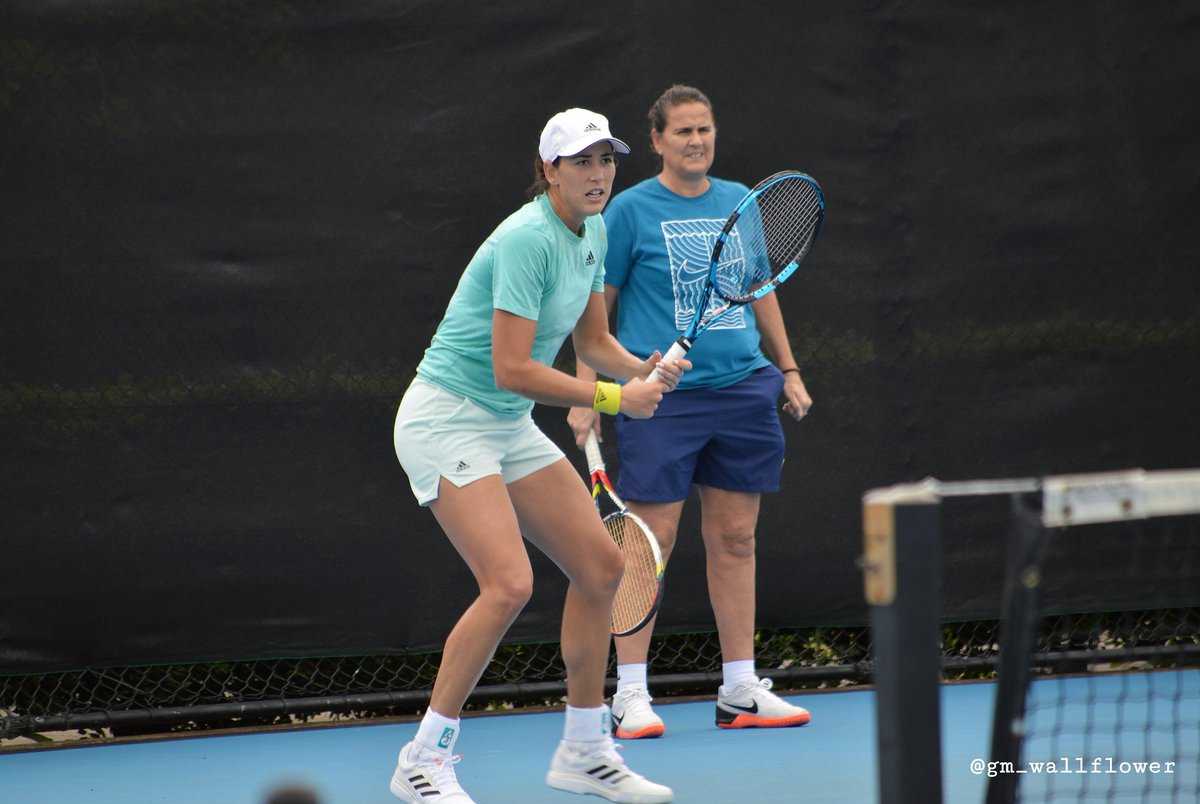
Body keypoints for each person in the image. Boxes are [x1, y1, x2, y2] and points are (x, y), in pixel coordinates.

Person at [390, 108, 687, 804]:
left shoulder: (595, 229)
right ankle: (422, 758)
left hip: (504, 423)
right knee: (509, 584)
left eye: (606, 160)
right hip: (447, 419)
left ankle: (584, 749)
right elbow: (512, 369)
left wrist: (636, 371)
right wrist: (616, 401)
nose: (598, 174)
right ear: (548, 170)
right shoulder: (526, 238)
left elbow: (591, 345)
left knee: (602, 566)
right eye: (581, 162)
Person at [567, 85, 814, 740]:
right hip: (661, 398)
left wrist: (787, 368)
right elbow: (597, 310)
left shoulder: (740, 201)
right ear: (657, 140)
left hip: (742, 389)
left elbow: (760, 293)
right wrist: (591, 394)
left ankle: (739, 689)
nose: (697, 141)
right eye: (683, 132)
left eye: (705, 129)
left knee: (736, 538)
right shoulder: (626, 211)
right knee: (649, 546)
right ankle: (631, 695)